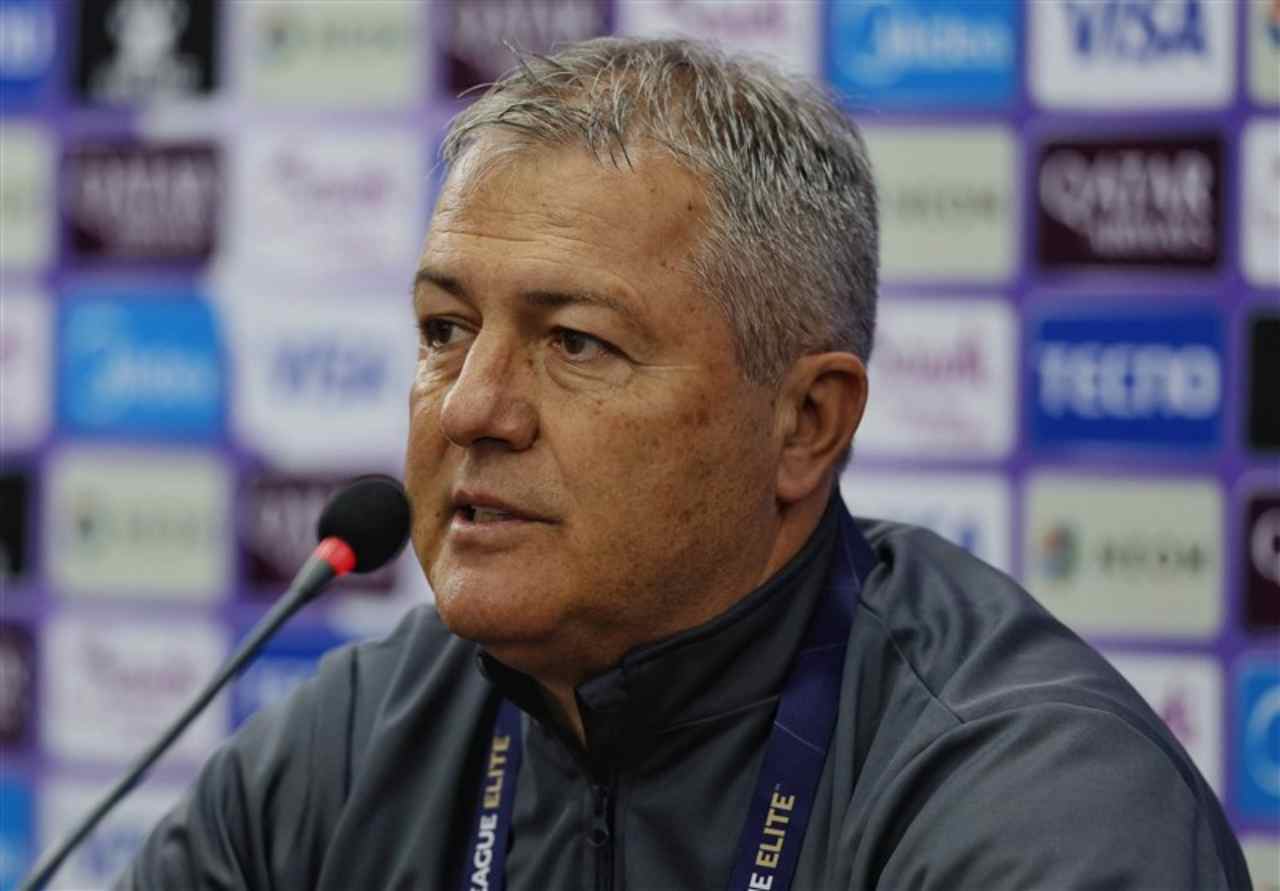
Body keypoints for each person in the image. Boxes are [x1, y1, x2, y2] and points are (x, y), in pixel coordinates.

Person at [118, 38, 1249, 890]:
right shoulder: (356, 744)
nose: (470, 407)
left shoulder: (1028, 799)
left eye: (575, 343)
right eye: (444, 329)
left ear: (805, 423)